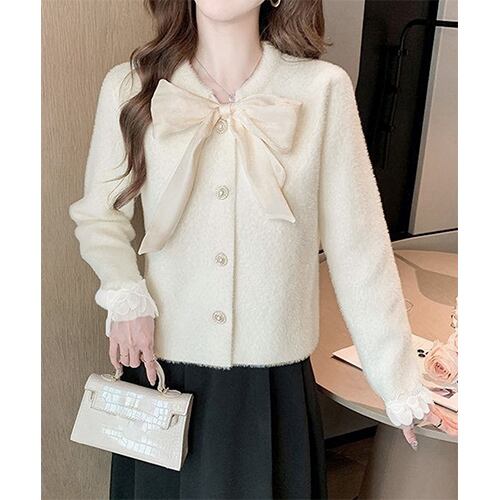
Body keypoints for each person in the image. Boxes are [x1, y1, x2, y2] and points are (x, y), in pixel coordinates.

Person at [69, 0, 437, 498]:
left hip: (271, 385)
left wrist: (400, 384)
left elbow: (360, 245)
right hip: (163, 369)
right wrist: (125, 295)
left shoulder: (322, 90)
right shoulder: (130, 86)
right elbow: (100, 215)